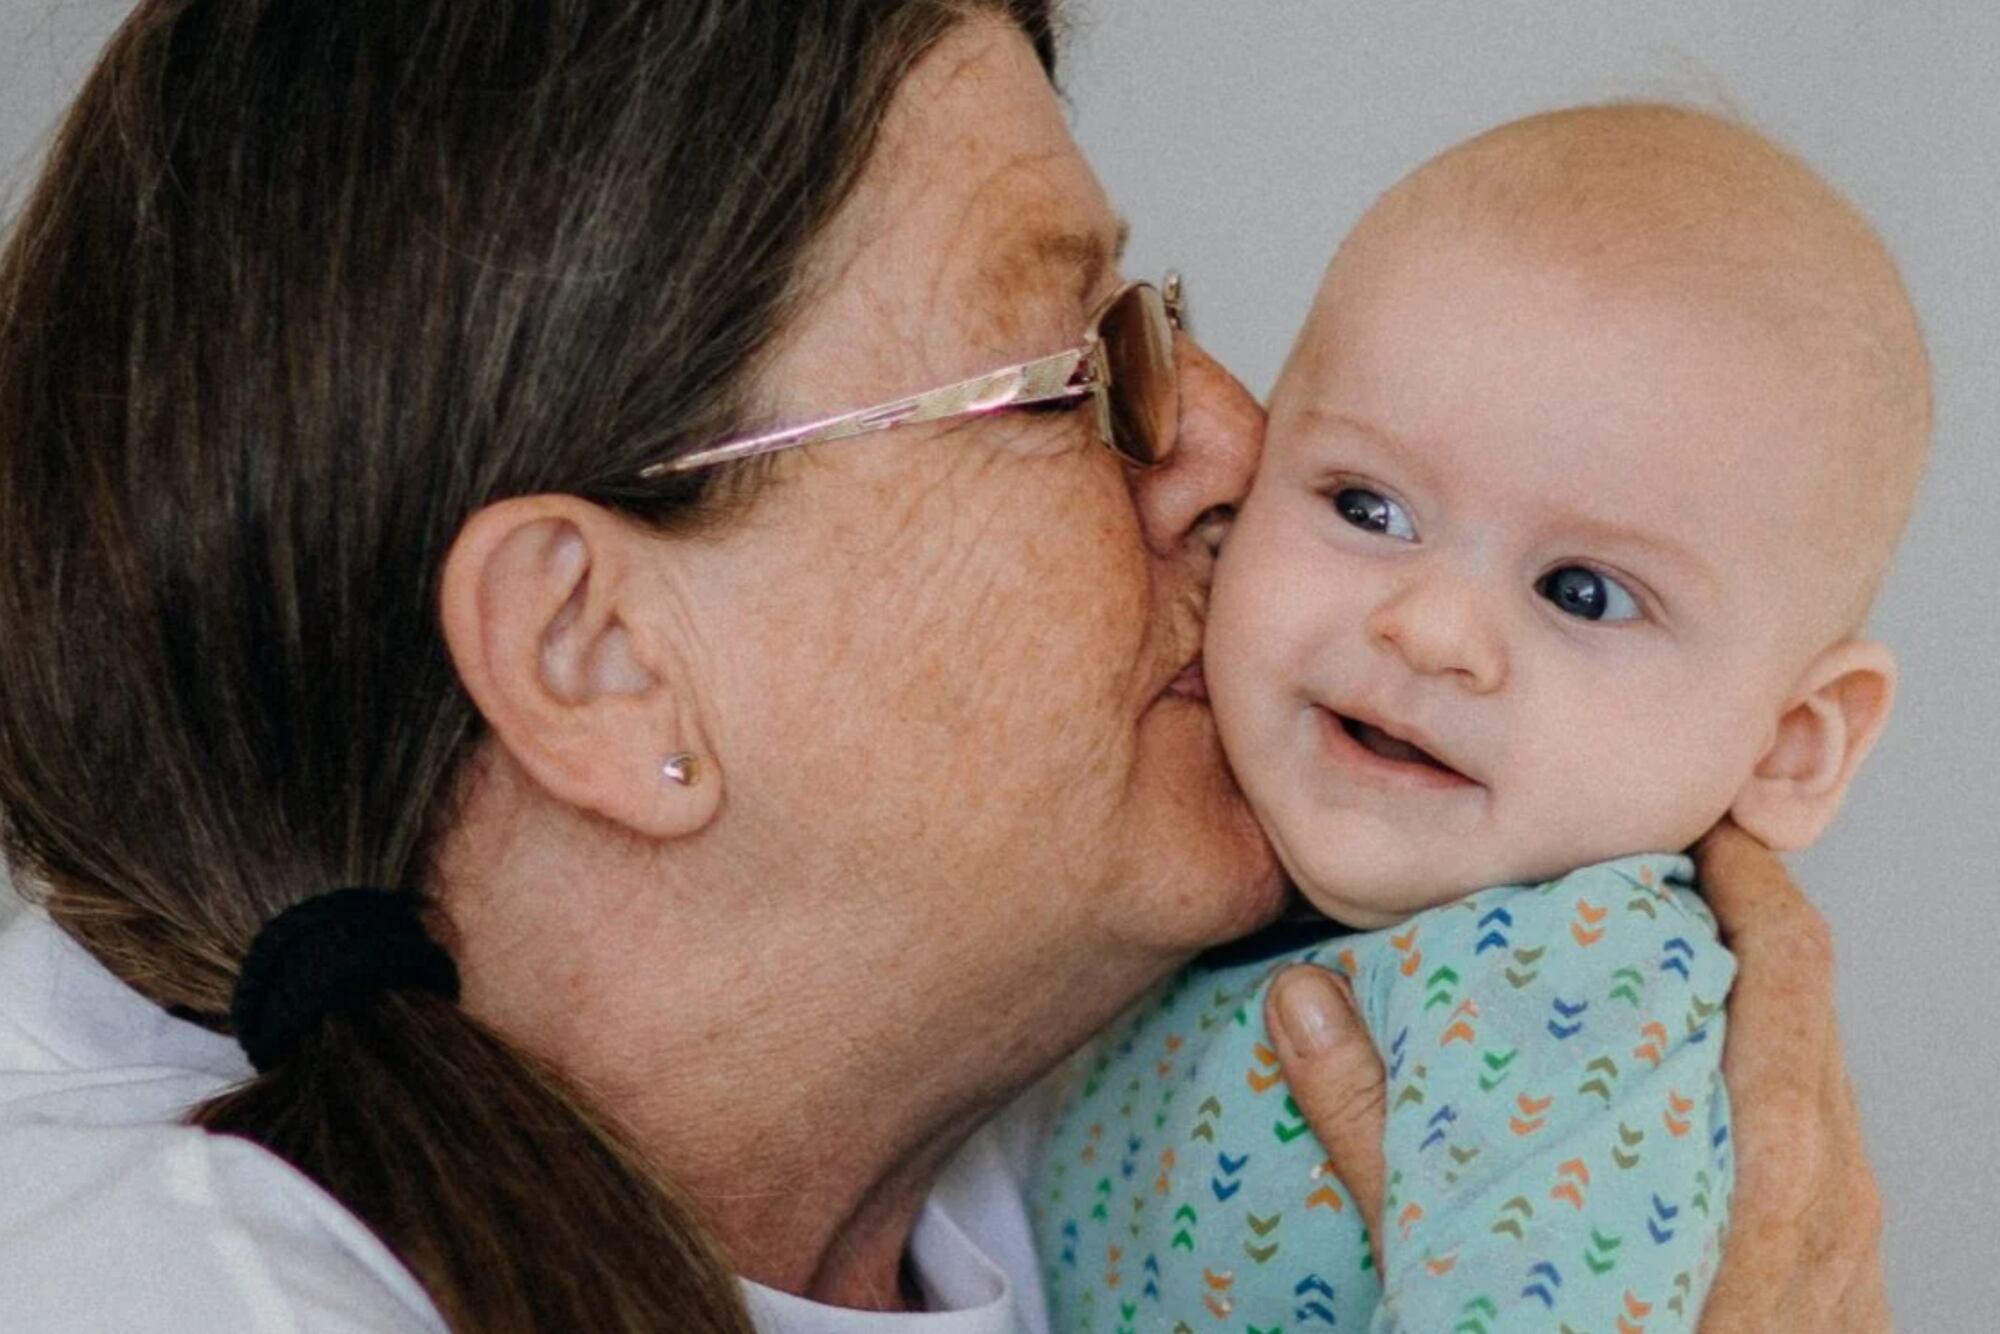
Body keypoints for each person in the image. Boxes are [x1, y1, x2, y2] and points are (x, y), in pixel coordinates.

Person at [0, 3, 1887, 1330]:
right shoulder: (169, 1292)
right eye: (1081, 373)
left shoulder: (1061, 1160)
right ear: (603, 657)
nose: (1233, 447)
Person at [1034, 103, 1924, 1332]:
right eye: (1364, 505)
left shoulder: (1583, 977)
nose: (1429, 628)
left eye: (1581, 591)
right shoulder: (1173, 885)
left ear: (1787, 743)